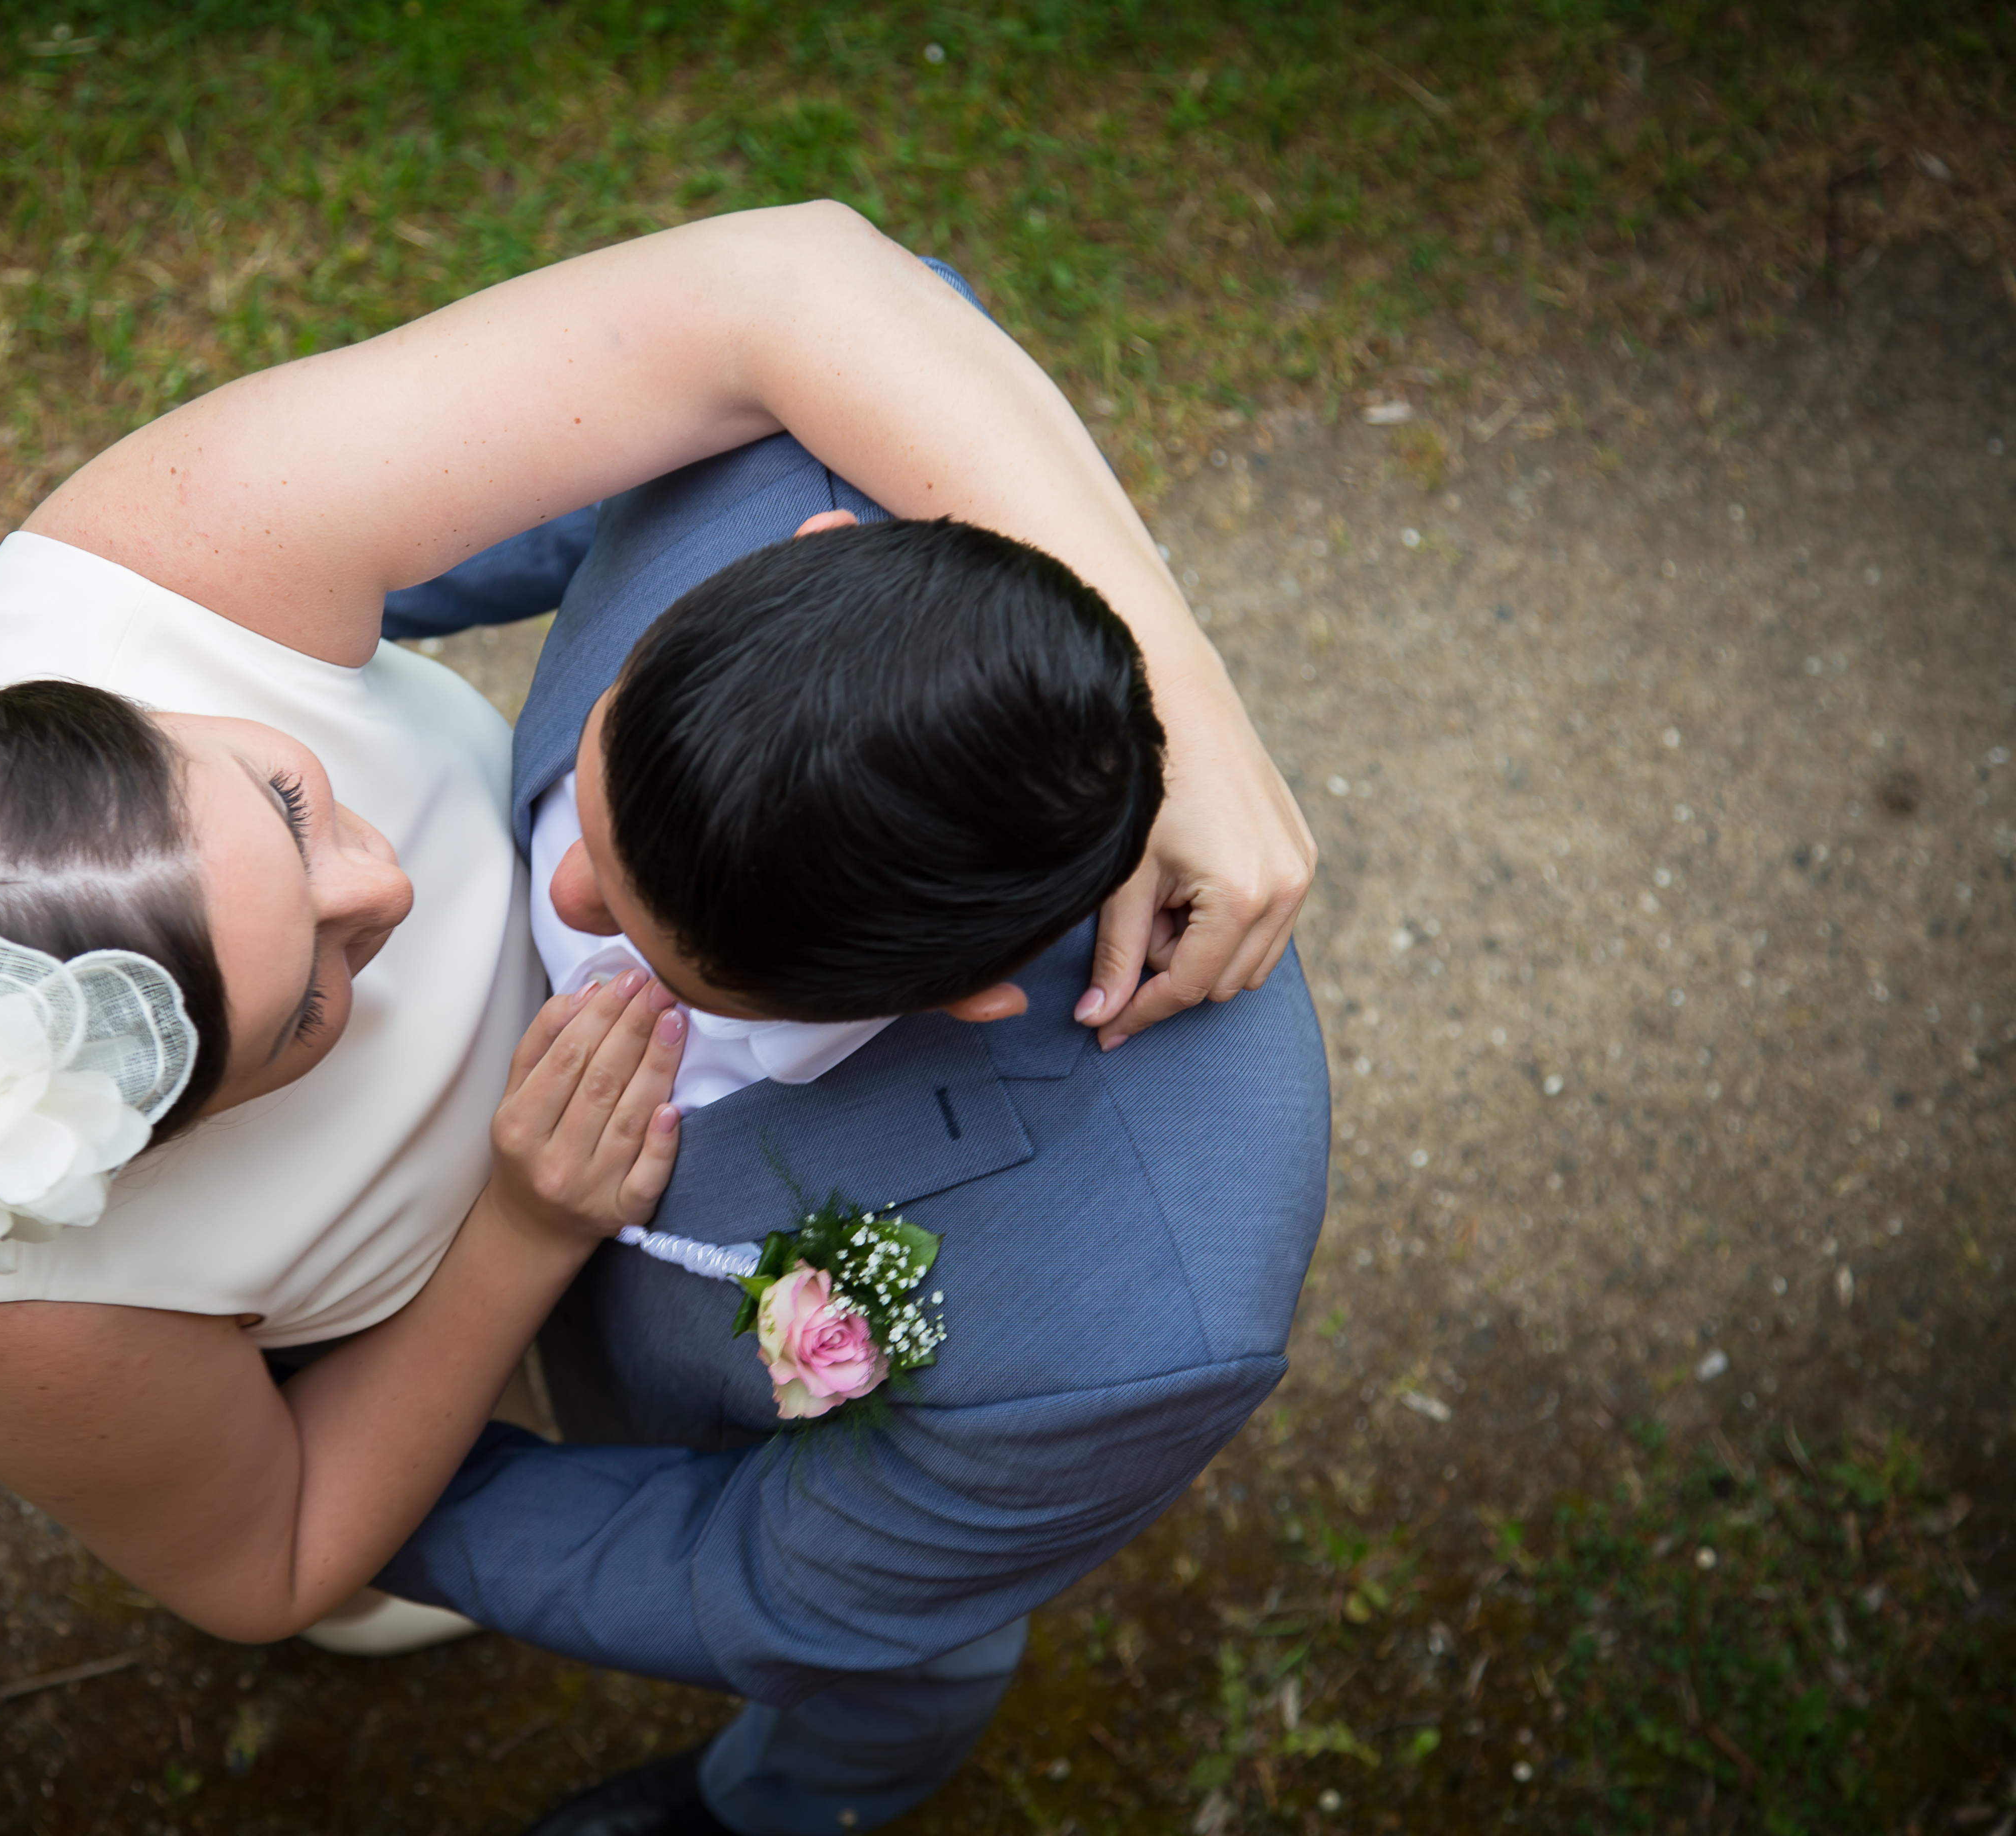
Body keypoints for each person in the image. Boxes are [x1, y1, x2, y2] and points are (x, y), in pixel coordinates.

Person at [0, 202, 1314, 1665]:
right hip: (418, 1333)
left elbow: (790, 283)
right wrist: (519, 1232)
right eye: (313, 1003)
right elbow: (261, 1562)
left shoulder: (159, 569)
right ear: (171, 1141)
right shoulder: (27, 1280)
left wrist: (1190, 718)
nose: (392, 892)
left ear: (108, 709)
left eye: (286, 804)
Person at [358, 258, 1331, 1834]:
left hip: (792, 1495)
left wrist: (330, 1488)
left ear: (970, 996)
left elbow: (761, 1581)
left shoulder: (1143, 1310)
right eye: (602, 791)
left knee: (894, 1679)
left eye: (658, 942)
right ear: (819, 547)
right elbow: (483, 490)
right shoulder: (789, 438)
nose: (562, 898)